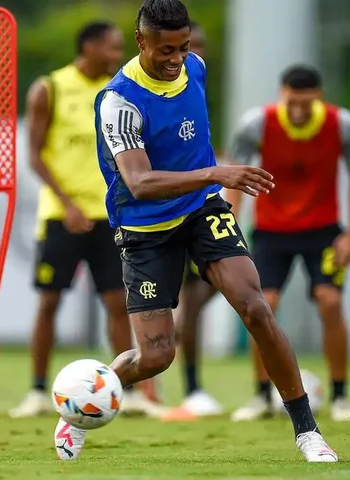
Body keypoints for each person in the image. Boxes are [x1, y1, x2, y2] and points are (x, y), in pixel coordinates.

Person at [54, 0, 338, 463]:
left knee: (256, 309)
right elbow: (141, 184)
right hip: (146, 228)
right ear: (141, 41)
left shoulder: (196, 68)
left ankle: (308, 432)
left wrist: (209, 182)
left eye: (183, 47)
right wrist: (215, 173)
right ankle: (82, 399)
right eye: (165, 49)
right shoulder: (119, 102)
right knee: (155, 357)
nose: (175, 59)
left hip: (202, 210)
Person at [10, 21, 162, 419]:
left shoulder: (121, 89)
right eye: (112, 48)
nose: (118, 55)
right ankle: (38, 391)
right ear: (89, 46)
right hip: (63, 216)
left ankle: (123, 391)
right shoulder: (51, 88)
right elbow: (35, 155)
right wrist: (68, 203)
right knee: (49, 301)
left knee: (117, 302)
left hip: (111, 217)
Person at [228, 65, 350, 423]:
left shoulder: (343, 125)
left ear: (318, 97)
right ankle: (261, 396)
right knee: (263, 305)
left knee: (330, 301)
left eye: (307, 102)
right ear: (282, 94)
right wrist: (228, 225)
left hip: (323, 231)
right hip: (271, 231)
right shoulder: (257, 124)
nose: (300, 109)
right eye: (293, 101)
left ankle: (340, 396)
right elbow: (235, 176)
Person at [157, 20, 224, 420]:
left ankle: (193, 387)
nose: (188, 56)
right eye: (183, 47)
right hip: (163, 213)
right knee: (172, 305)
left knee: (200, 298)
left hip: (201, 207)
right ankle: (183, 386)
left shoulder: (195, 81)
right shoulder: (143, 91)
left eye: (195, 47)